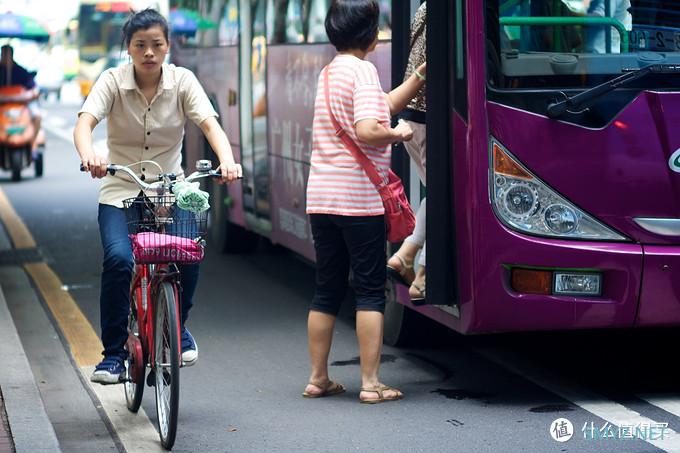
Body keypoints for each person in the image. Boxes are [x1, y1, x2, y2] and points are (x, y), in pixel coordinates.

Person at [73, 8, 242, 384]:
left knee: (189, 251)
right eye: (140, 45)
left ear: (168, 47)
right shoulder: (112, 81)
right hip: (121, 188)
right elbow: (85, 123)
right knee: (119, 261)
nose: (149, 52)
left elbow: (209, 124)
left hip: (170, 188)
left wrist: (227, 160)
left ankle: (177, 328)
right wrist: (90, 154)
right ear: (129, 49)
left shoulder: (183, 82)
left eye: (157, 44)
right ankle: (113, 355)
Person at [304, 0, 425, 404]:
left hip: (321, 199)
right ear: (370, 33)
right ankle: (371, 383)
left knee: (326, 289)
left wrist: (418, 77)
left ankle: (318, 378)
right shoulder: (365, 69)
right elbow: (370, 128)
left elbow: (379, 106)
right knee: (371, 291)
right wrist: (400, 134)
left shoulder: (330, 72)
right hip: (357, 202)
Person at [386, 1, 427, 302]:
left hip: (413, 115)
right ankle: (419, 267)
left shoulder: (426, 7)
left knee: (439, 191)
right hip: (426, 116)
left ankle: (410, 257)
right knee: (447, 194)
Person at [0, 44, 41, 144]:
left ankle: (33, 143)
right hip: (2, 105)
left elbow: (34, 88)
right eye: (3, 54)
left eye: (7, 55)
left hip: (22, 105)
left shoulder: (21, 71)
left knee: (37, 115)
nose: (5, 57)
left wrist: (31, 94)